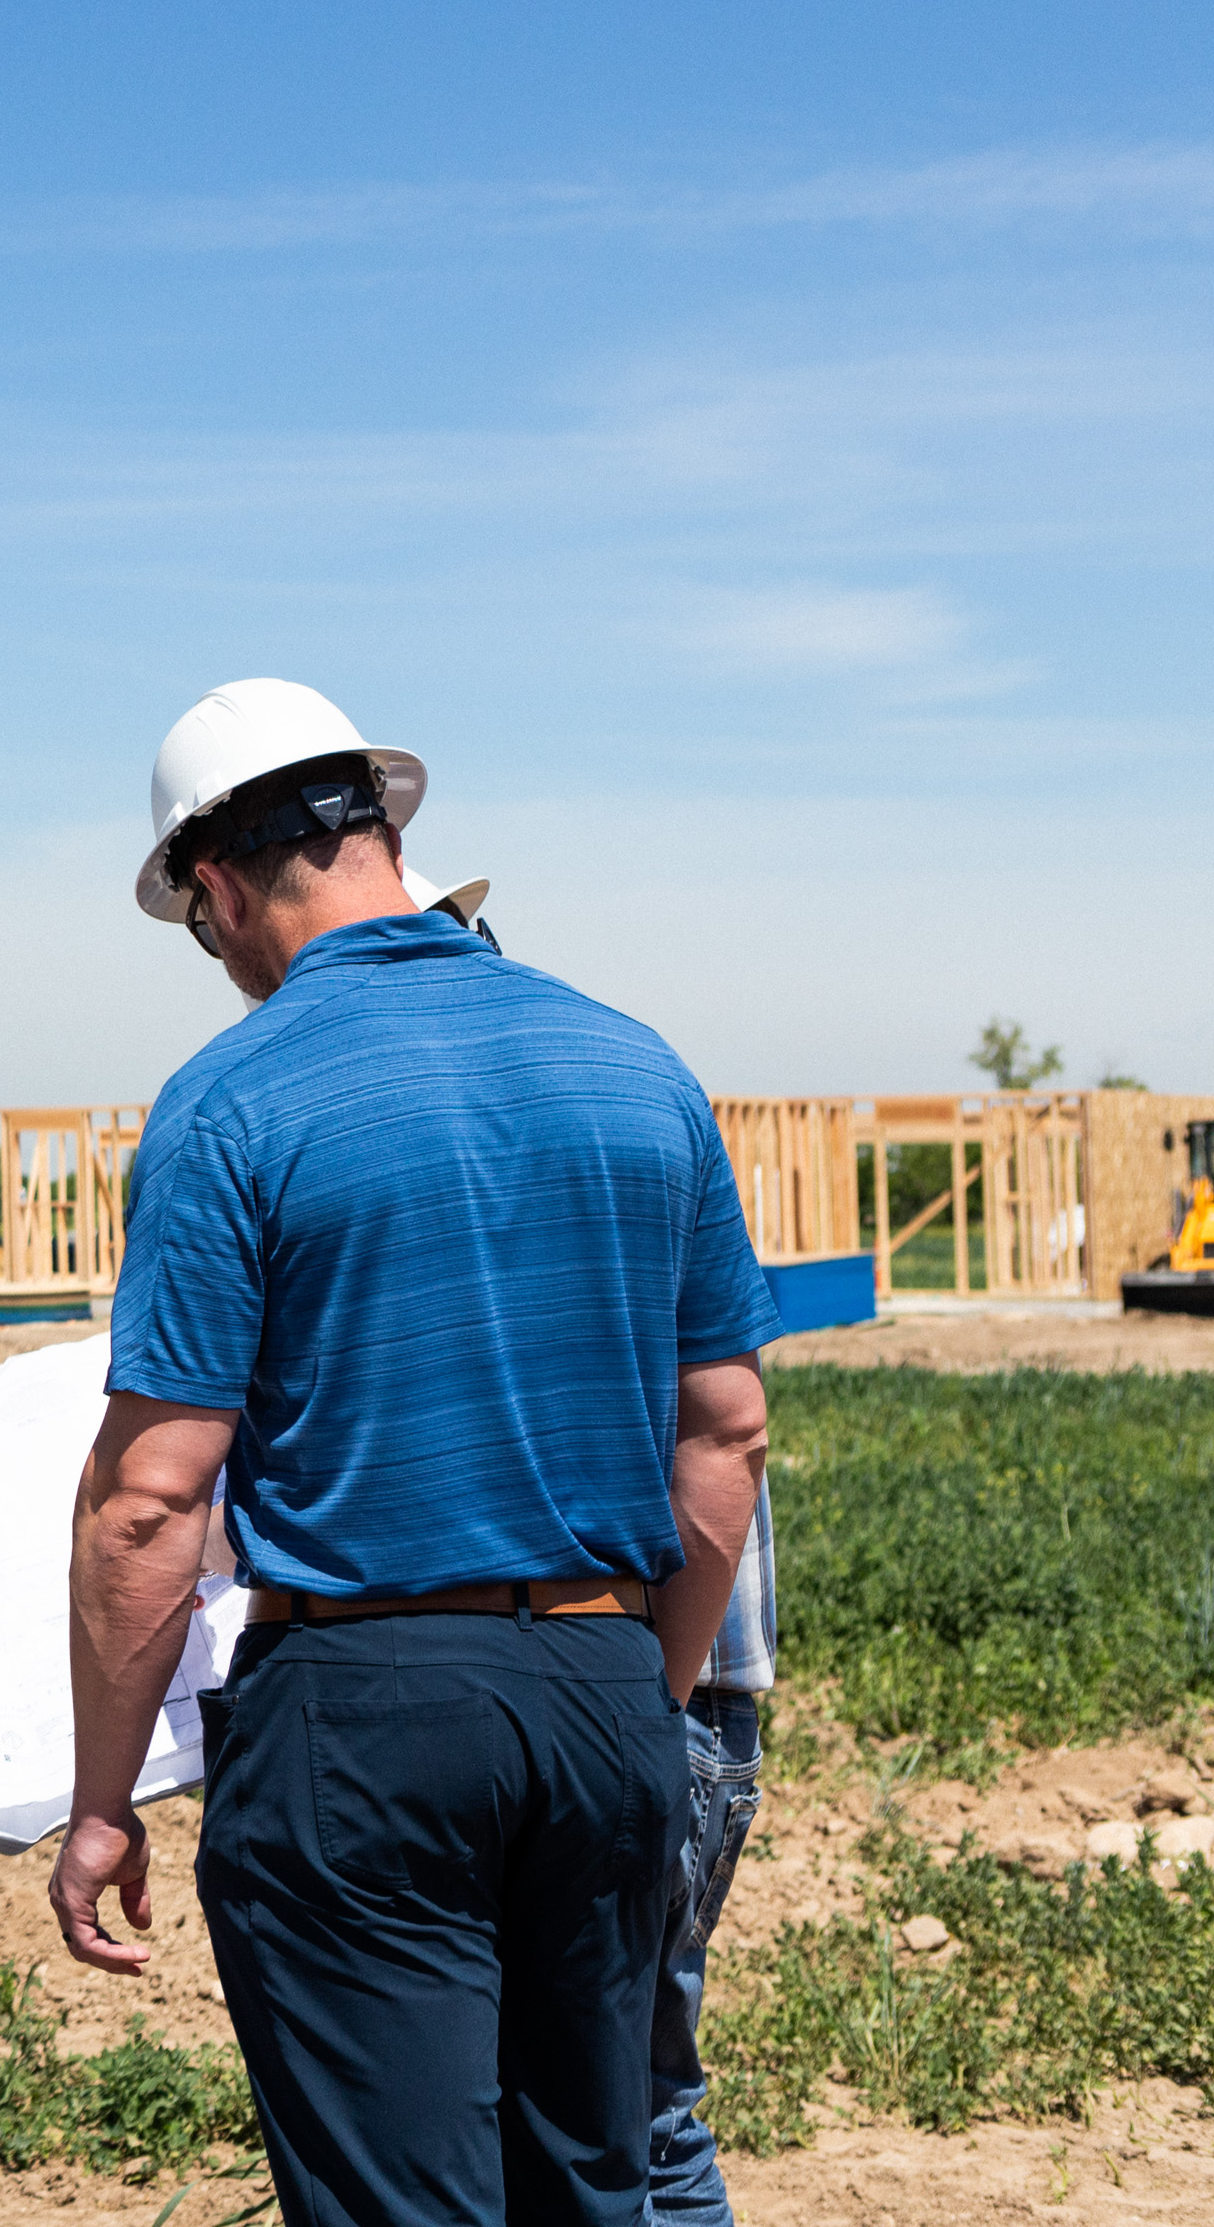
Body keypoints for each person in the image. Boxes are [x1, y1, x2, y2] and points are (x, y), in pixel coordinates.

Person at [49, 679, 775, 2227]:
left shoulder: (233, 1101)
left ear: (218, 884)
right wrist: (639, 1695)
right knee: (594, 2183)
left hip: (363, 1715)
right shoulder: (639, 1066)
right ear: (386, 833)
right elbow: (728, 1432)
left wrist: (104, 1800)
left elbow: (151, 1502)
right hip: (603, 1696)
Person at [411, 863, 775, 2224]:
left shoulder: (520, 1195)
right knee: (618, 2098)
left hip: (633, 1682)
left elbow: (717, 1444)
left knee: (618, 2106)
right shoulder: (614, 1127)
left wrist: (641, 1700)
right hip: (660, 1684)